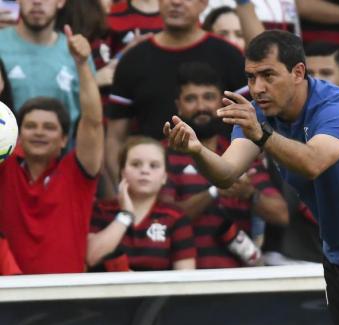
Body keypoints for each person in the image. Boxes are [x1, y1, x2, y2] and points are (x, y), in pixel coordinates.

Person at [164, 30, 339, 325]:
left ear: (298, 72)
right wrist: (196, 150)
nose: (257, 88)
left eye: (268, 75)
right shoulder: (260, 116)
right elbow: (226, 173)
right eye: (251, 77)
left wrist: (262, 135)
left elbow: (316, 161)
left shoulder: (338, 108)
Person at [105, 0, 247, 195]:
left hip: (227, 185)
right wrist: (122, 195)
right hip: (153, 190)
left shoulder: (230, 55)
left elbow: (252, 124)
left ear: (204, 3)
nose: (176, 2)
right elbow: (115, 139)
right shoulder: (134, 60)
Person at [162, 62, 288, 268]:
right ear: (178, 106)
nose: (201, 106)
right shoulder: (164, 154)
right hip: (182, 278)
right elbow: (162, 220)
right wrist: (217, 188)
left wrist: (250, 193)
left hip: (238, 279)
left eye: (209, 97)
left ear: (222, 105)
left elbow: (281, 215)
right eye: (191, 99)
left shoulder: (241, 151)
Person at [0, 26, 104, 274]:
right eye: (31, 126)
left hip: (67, 300)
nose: (38, 132)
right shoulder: (5, 168)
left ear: (63, 139)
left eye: (49, 127)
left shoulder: (77, 174)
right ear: (18, 135)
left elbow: (92, 121)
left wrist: (81, 64)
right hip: (8, 299)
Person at [87, 136, 196, 271]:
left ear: (164, 177)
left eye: (154, 165)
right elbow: (91, 257)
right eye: (136, 164)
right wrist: (125, 215)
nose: (145, 171)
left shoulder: (175, 217)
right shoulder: (101, 210)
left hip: (158, 292)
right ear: (122, 172)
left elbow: (185, 278)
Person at [0, 0, 95, 141]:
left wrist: (82, 63)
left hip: (63, 158)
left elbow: (92, 119)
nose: (37, 2)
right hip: (6, 156)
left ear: (61, 2)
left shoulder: (76, 52)